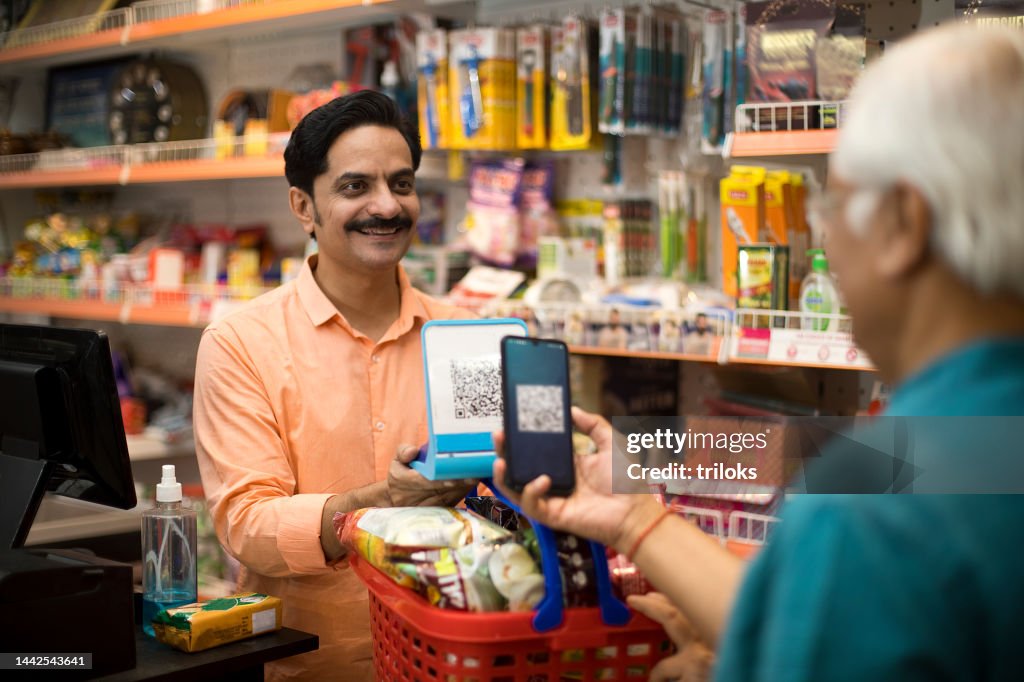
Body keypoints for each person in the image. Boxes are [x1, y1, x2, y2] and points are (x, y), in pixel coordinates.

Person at [494, 24, 1024, 682]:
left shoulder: (865, 509)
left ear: (902, 225)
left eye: (834, 202)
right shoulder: (974, 440)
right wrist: (635, 519)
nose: (824, 232)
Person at [193, 91, 473, 681]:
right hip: (308, 667)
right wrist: (383, 504)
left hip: (455, 661)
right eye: (355, 187)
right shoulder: (240, 343)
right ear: (303, 205)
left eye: (402, 183)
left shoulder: (467, 338)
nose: (386, 206)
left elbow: (505, 498)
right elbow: (249, 524)